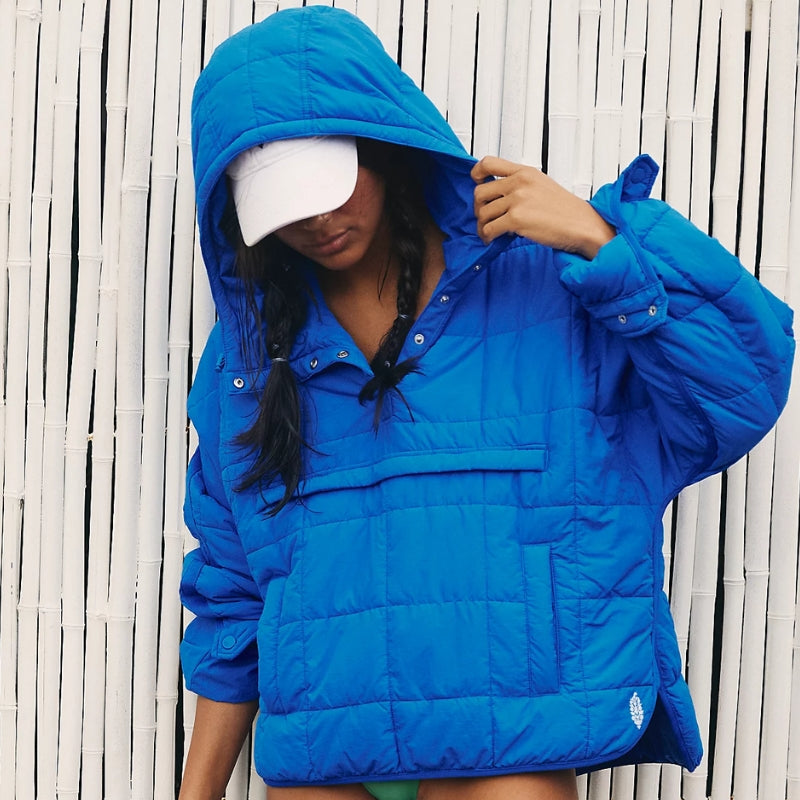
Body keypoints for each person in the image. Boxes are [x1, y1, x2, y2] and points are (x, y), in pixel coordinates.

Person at [178, 7, 794, 800]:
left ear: (383, 143)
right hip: (323, 759)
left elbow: (741, 387)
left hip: (511, 752)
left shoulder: (552, 282)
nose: (318, 221)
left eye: (328, 185)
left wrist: (605, 243)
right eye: (283, 204)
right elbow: (231, 594)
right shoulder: (247, 359)